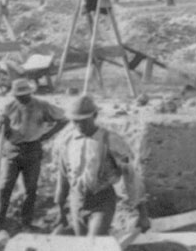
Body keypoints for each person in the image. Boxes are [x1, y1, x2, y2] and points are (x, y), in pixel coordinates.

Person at [53, 95, 147, 237]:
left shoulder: (110, 140)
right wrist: (60, 210)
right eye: (75, 121)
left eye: (83, 121)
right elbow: (63, 176)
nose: (79, 125)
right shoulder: (67, 141)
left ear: (95, 116)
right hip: (76, 200)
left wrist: (143, 214)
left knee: (94, 243)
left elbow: (131, 176)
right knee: (82, 245)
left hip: (101, 201)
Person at [0, 79, 67, 233]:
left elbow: (63, 119)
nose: (21, 98)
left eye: (24, 95)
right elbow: (5, 134)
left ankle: (26, 222)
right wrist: (3, 125)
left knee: (30, 189)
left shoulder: (42, 106)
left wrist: (47, 135)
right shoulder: (9, 107)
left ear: (29, 93)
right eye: (18, 96)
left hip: (33, 150)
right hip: (12, 150)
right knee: (4, 187)